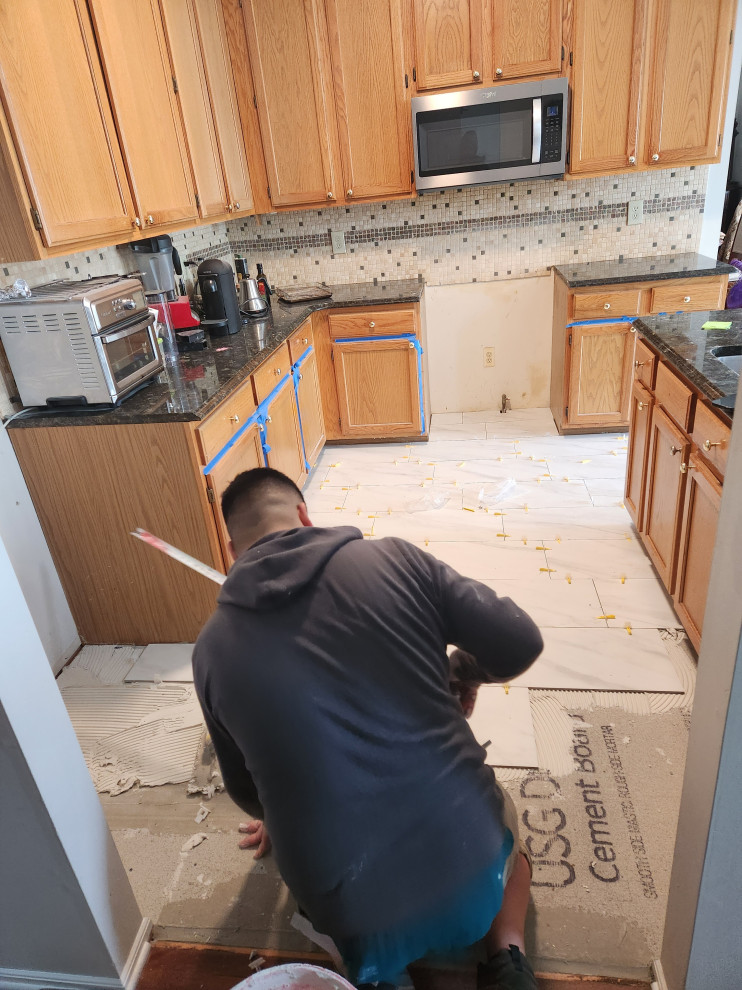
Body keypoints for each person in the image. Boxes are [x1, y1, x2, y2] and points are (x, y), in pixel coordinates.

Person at [192, 467, 544, 990]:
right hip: (472, 879)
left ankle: (381, 977)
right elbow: (519, 642)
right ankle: (506, 952)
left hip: (355, 917)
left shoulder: (210, 652)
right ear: (304, 515)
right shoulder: (396, 560)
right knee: (511, 849)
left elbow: (246, 791)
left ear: (230, 549)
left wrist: (279, 810)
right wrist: (461, 669)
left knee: (338, 909)